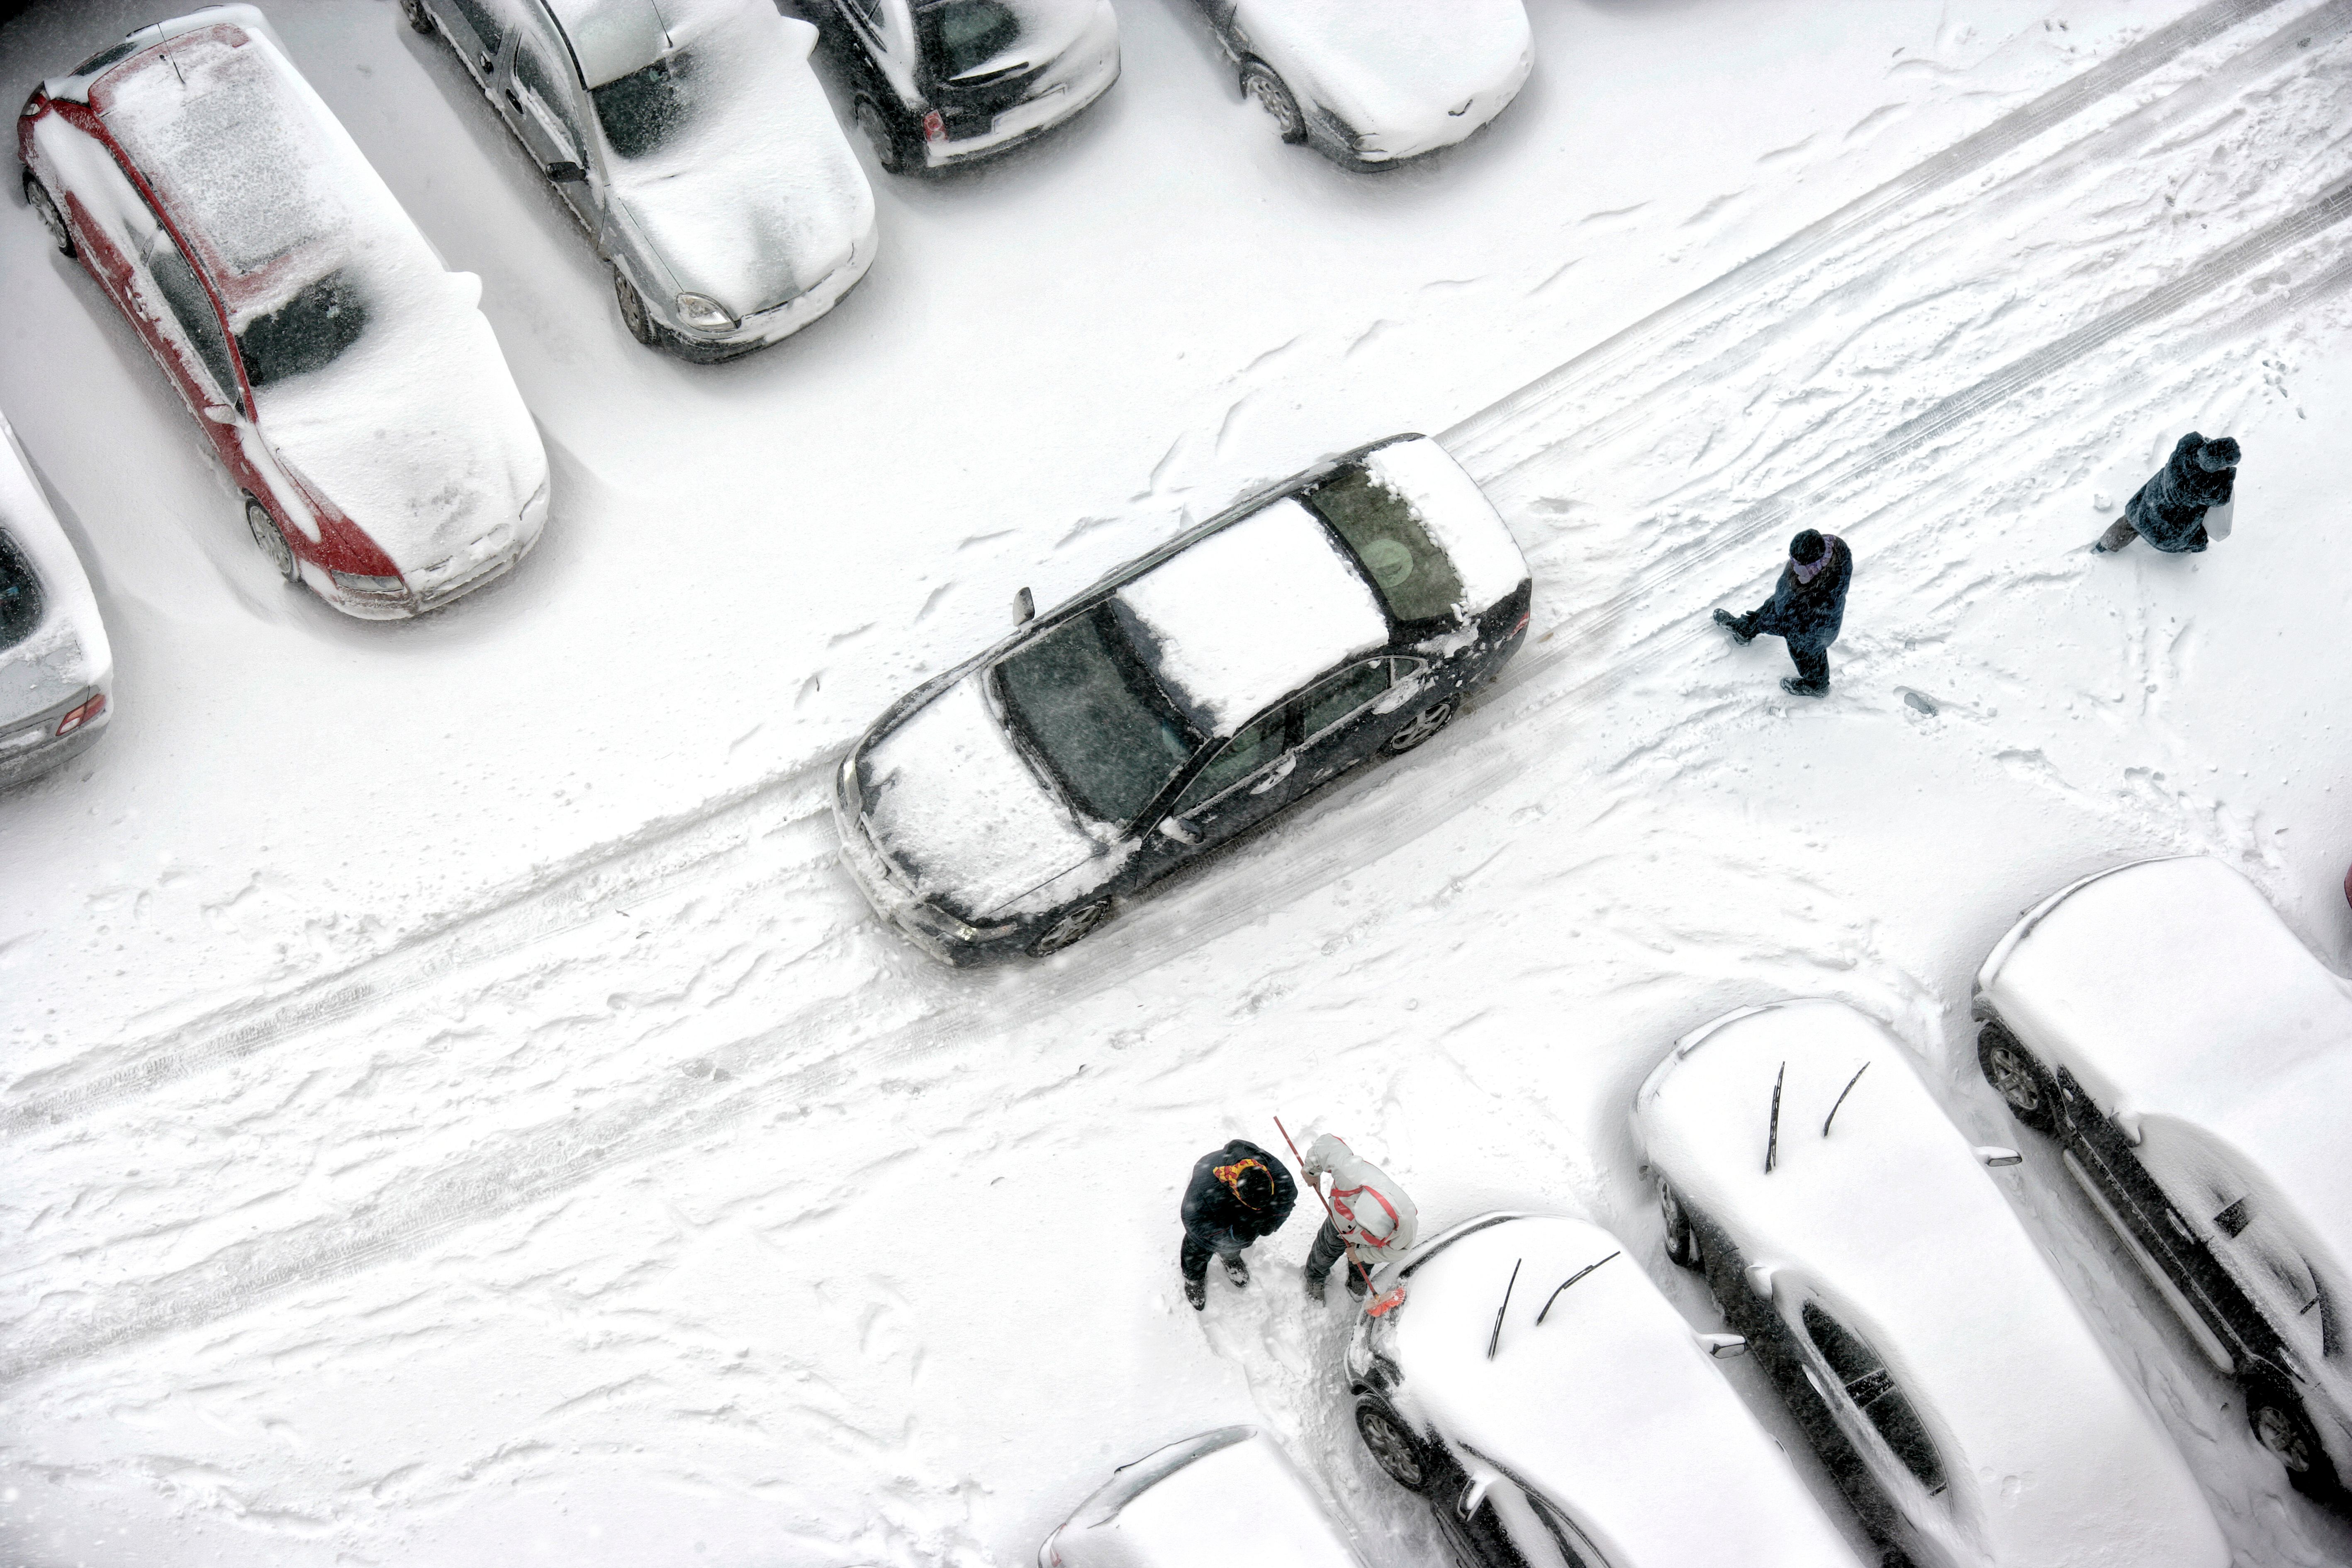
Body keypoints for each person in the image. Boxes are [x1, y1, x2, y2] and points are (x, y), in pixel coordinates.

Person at [1712, 528, 1853, 698]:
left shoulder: (1819, 595)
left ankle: (1817, 687)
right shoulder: (1831, 549)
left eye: (1799, 564)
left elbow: (1792, 620)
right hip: (1790, 606)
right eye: (1792, 560)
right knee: (1769, 612)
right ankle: (1744, 631)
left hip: (1810, 631)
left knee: (1808, 656)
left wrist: (1776, 617)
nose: (1794, 566)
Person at [1178, 1139, 1297, 1311]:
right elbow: (1194, 1223)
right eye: (1254, 1207)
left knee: (1232, 1247)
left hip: (1238, 1216)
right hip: (1213, 1220)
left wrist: (1273, 1222)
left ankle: (1229, 1256)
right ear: (1236, 1191)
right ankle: (1194, 1277)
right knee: (1197, 1251)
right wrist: (1232, 1234)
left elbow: (1287, 1201)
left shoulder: (1278, 1176)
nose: (1259, 1210)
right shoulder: (1204, 1189)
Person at [1299, 1133, 1418, 1304]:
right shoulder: (1351, 1175)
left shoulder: (1406, 1223)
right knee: (1326, 1252)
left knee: (1364, 1260)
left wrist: (1363, 1253)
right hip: (1340, 1223)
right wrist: (1311, 1171)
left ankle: (1358, 1279)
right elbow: (1327, 1144)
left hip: (1370, 1243)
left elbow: (1398, 1252)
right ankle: (1315, 1277)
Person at [2094, 433, 2239, 555]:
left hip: (2146, 505)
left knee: (2132, 521)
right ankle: (2186, 554)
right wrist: (2228, 474)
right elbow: (2223, 499)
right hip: (2165, 532)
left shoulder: (2186, 448)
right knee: (2200, 541)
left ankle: (2104, 545)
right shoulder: (2207, 489)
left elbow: (2195, 440)